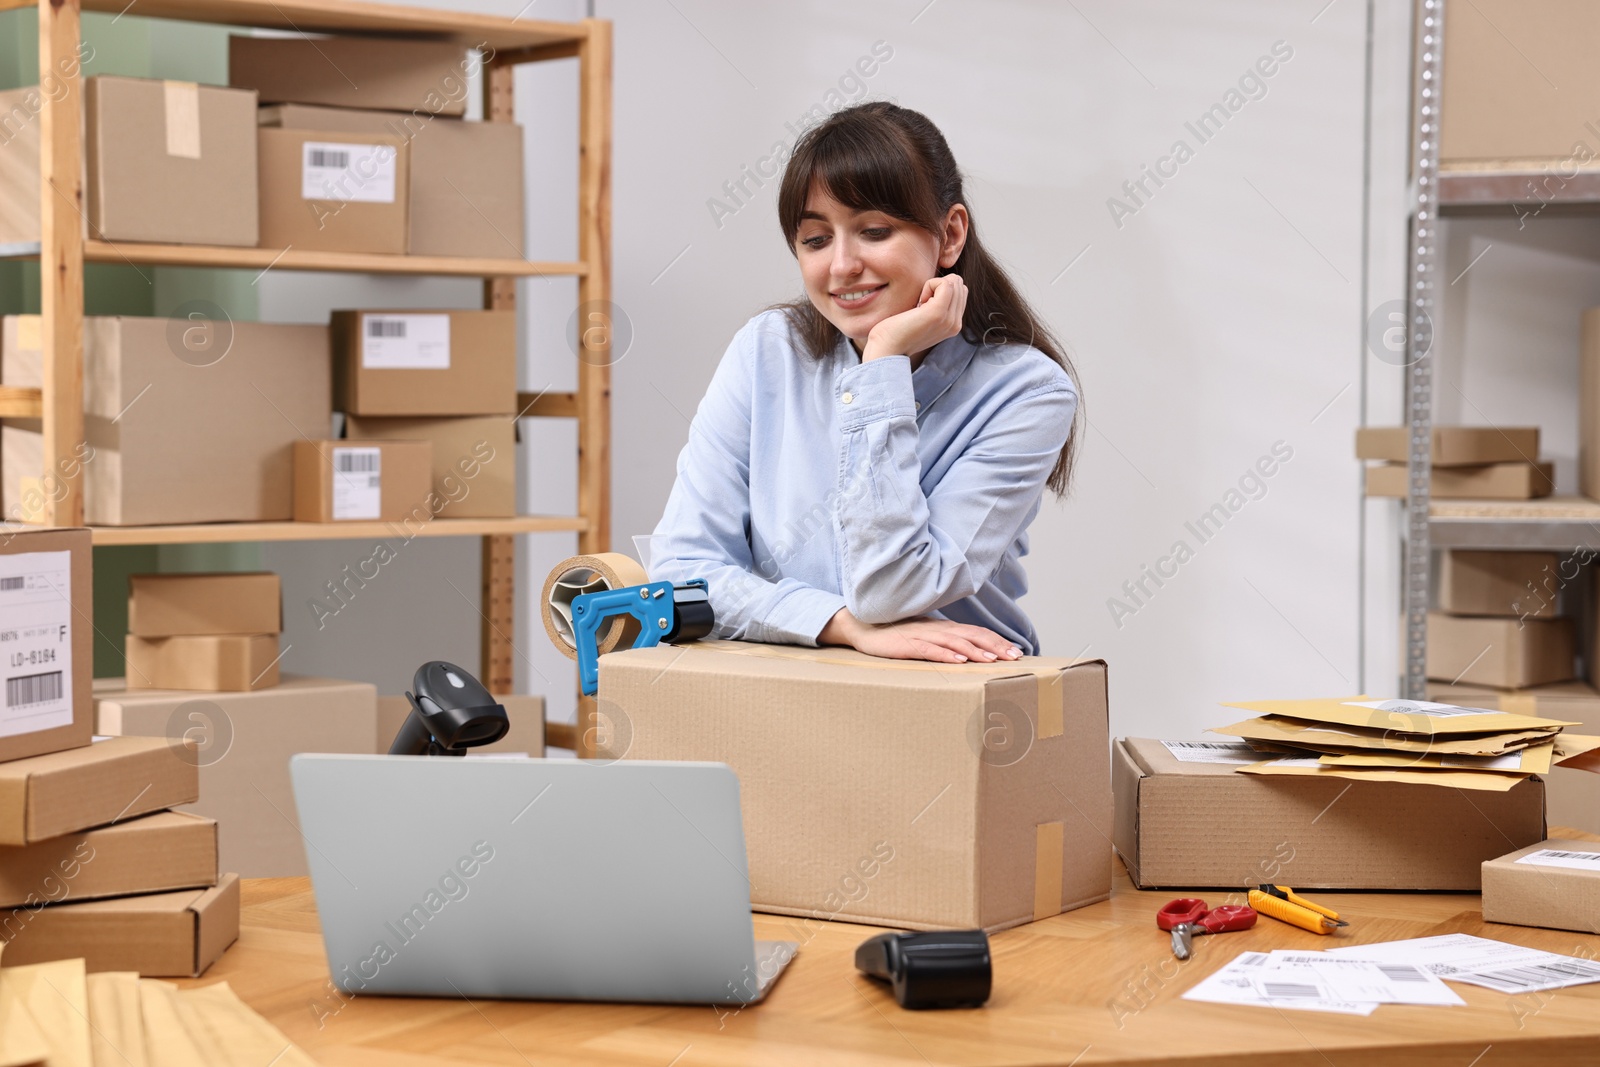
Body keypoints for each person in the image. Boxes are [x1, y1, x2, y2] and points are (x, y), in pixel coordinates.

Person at [649, 102, 1080, 664]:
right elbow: (681, 575)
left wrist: (881, 366)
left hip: (956, 697)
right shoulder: (767, 351)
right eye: (815, 240)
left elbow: (893, 590)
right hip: (790, 682)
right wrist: (838, 624)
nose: (842, 266)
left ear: (950, 235)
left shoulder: (1028, 392)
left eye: (874, 231)